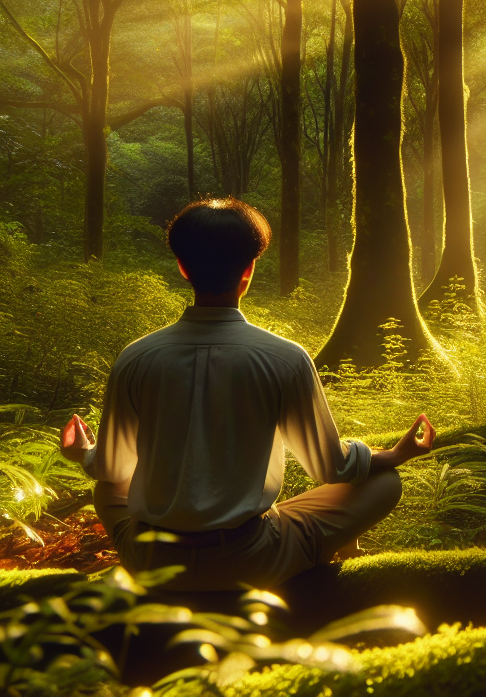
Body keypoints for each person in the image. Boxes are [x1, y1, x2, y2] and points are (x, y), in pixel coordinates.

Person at [60, 197, 434, 591]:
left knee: (107, 487)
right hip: (251, 559)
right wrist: (393, 454)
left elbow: (114, 469)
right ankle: (309, 567)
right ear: (249, 270)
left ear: (182, 267)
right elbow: (330, 469)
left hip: (152, 560)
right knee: (385, 482)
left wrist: (83, 453)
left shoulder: (136, 358)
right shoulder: (285, 358)